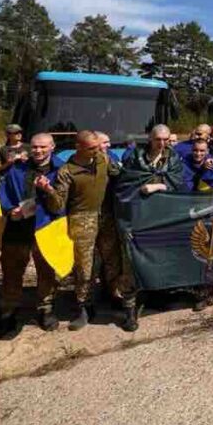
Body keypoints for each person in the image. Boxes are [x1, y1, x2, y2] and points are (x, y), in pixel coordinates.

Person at [39, 131, 115, 329]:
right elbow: (57, 205)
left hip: (106, 218)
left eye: (99, 146)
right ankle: (83, 306)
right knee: (83, 267)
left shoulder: (102, 159)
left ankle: (115, 296)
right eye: (92, 147)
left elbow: (119, 176)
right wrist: (49, 191)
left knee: (112, 259)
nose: (98, 150)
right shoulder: (67, 171)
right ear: (79, 147)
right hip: (81, 221)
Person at [0, 133, 61, 337]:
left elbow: (64, 203)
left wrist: (49, 190)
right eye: (34, 147)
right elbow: (4, 194)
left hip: (46, 227)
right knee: (12, 269)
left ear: (52, 147)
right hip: (18, 227)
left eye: (43, 147)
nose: (38, 151)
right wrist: (9, 210)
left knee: (47, 271)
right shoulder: (17, 169)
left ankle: (45, 308)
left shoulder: (61, 170)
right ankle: (9, 310)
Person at [95, 131, 139, 331]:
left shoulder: (112, 160)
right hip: (90, 218)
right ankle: (94, 297)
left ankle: (116, 295)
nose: (107, 146)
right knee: (98, 259)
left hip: (115, 216)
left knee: (116, 258)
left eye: (108, 143)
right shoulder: (77, 163)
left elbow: (122, 178)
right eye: (103, 143)